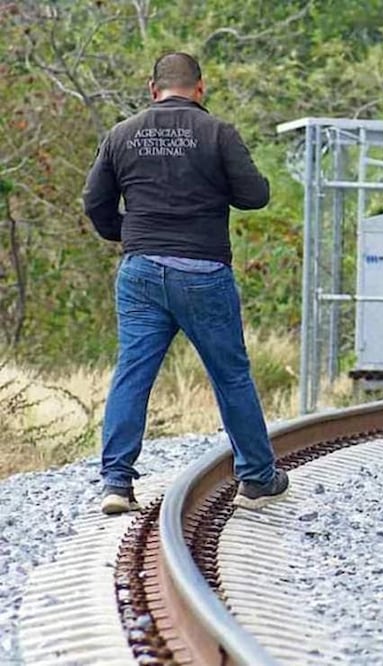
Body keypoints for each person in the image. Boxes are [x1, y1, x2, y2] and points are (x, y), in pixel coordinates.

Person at [82, 52, 288, 515]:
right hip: (203, 273)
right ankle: (257, 478)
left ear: (152, 89)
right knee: (230, 375)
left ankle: (116, 483)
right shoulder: (218, 133)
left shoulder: (122, 134)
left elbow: (94, 201)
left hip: (140, 273)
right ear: (200, 88)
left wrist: (129, 234)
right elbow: (255, 195)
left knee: (133, 372)